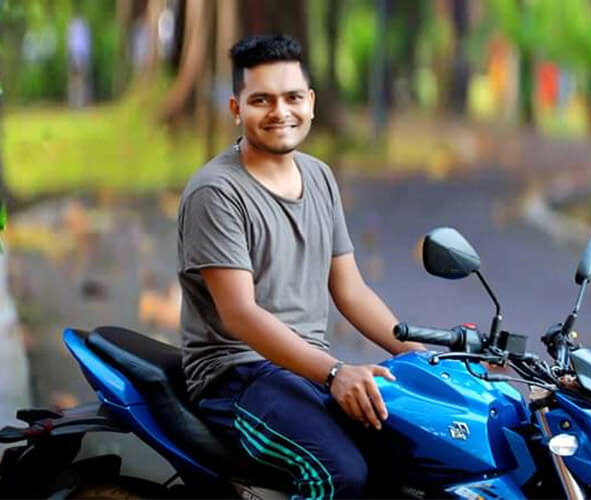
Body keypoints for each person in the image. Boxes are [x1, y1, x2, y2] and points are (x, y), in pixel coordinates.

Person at [176, 34, 424, 499]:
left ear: (310, 103)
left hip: (304, 369)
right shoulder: (217, 192)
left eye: (292, 97)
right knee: (339, 474)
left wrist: (424, 357)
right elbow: (240, 315)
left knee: (412, 453)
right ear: (236, 109)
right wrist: (334, 373)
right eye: (261, 100)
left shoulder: (319, 176)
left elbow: (350, 290)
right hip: (237, 377)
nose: (280, 112)